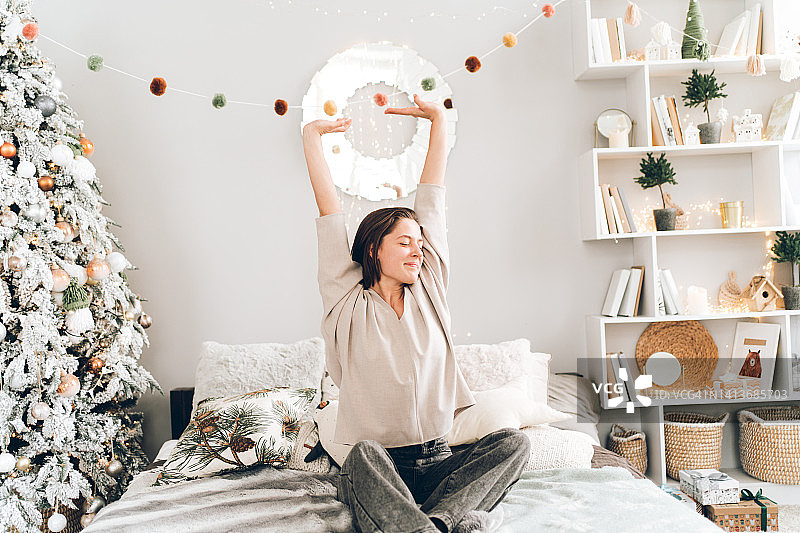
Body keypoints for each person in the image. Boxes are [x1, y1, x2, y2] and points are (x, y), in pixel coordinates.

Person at [303, 94, 529, 533]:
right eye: (404, 242)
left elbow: (433, 197)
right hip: (381, 468)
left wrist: (439, 121)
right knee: (362, 454)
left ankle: (438, 522)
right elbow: (328, 211)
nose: (417, 249)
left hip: (439, 461)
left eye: (420, 243)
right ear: (375, 248)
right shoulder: (345, 300)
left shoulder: (430, 288)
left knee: (513, 444)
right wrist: (311, 137)